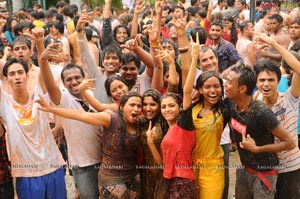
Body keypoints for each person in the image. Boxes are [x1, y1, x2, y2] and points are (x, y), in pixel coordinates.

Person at [34, 26, 102, 199]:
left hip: (107, 161)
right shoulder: (64, 98)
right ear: (63, 83)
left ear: (84, 77)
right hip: (83, 164)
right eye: (69, 79)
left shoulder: (94, 94)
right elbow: (50, 85)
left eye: (77, 78)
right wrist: (43, 59)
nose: (74, 82)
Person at [36, 91, 143, 198]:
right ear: (122, 106)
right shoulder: (111, 119)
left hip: (133, 177)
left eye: (139, 106)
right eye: (132, 105)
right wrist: (51, 110)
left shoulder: (140, 123)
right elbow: (80, 115)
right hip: (112, 180)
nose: (136, 109)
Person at [223, 65, 296, 199]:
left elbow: (289, 143)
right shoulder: (231, 104)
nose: (225, 85)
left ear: (242, 89)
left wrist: (257, 149)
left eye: (229, 82)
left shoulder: (261, 112)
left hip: (264, 175)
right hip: (244, 171)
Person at [0, 58, 66, 198]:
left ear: (27, 75)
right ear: (6, 78)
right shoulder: (4, 103)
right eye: (12, 74)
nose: (17, 76)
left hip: (53, 166)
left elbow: (47, 77)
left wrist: (40, 45)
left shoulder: (39, 95)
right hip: (26, 173)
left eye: (20, 72)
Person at [253, 33, 300, 199]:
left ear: (278, 81)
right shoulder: (255, 102)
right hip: (266, 168)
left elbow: (298, 68)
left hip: (290, 168)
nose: (266, 84)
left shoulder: (290, 97)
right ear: (256, 83)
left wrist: (273, 43)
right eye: (262, 80)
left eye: (271, 80)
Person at [139, 89, 169, 199]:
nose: (148, 108)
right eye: (145, 104)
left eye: (152, 104)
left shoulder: (165, 121)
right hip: (145, 174)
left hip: (163, 174)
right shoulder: (140, 121)